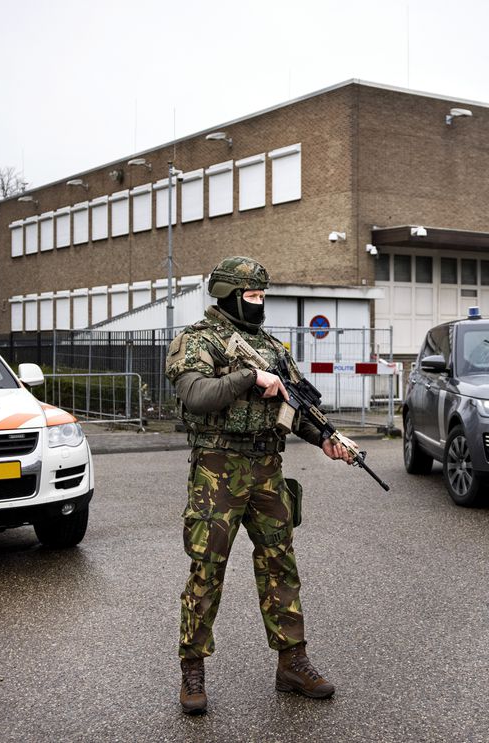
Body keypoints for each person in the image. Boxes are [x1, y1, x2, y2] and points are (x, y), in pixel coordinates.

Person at [164, 256, 353, 715]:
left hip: (267, 466)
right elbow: (196, 395)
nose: (260, 303)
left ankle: (293, 662)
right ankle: (193, 669)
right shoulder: (197, 340)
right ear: (229, 295)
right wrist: (251, 376)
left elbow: (294, 406)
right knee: (207, 569)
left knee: (280, 564)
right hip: (217, 469)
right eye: (252, 296)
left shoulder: (271, 345)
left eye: (263, 295)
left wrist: (327, 437)